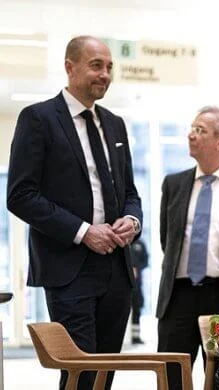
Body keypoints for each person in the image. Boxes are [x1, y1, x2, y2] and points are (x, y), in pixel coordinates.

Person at [7, 36, 142, 389]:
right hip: (69, 268)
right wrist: (84, 231)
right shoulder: (38, 119)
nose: (105, 74)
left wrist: (132, 220)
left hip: (116, 269)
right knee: (81, 374)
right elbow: (20, 195)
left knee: (104, 375)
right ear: (70, 67)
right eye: (96, 65)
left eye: (109, 67)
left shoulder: (114, 124)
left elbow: (130, 192)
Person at [156, 106, 219, 390]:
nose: (190, 135)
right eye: (192, 128)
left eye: (200, 130)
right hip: (178, 296)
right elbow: (166, 239)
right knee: (171, 377)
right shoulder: (174, 184)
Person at [130, 237, 149, 344]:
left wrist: (137, 268)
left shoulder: (140, 244)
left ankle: (135, 336)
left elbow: (146, 261)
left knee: (137, 309)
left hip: (137, 284)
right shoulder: (122, 242)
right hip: (124, 284)